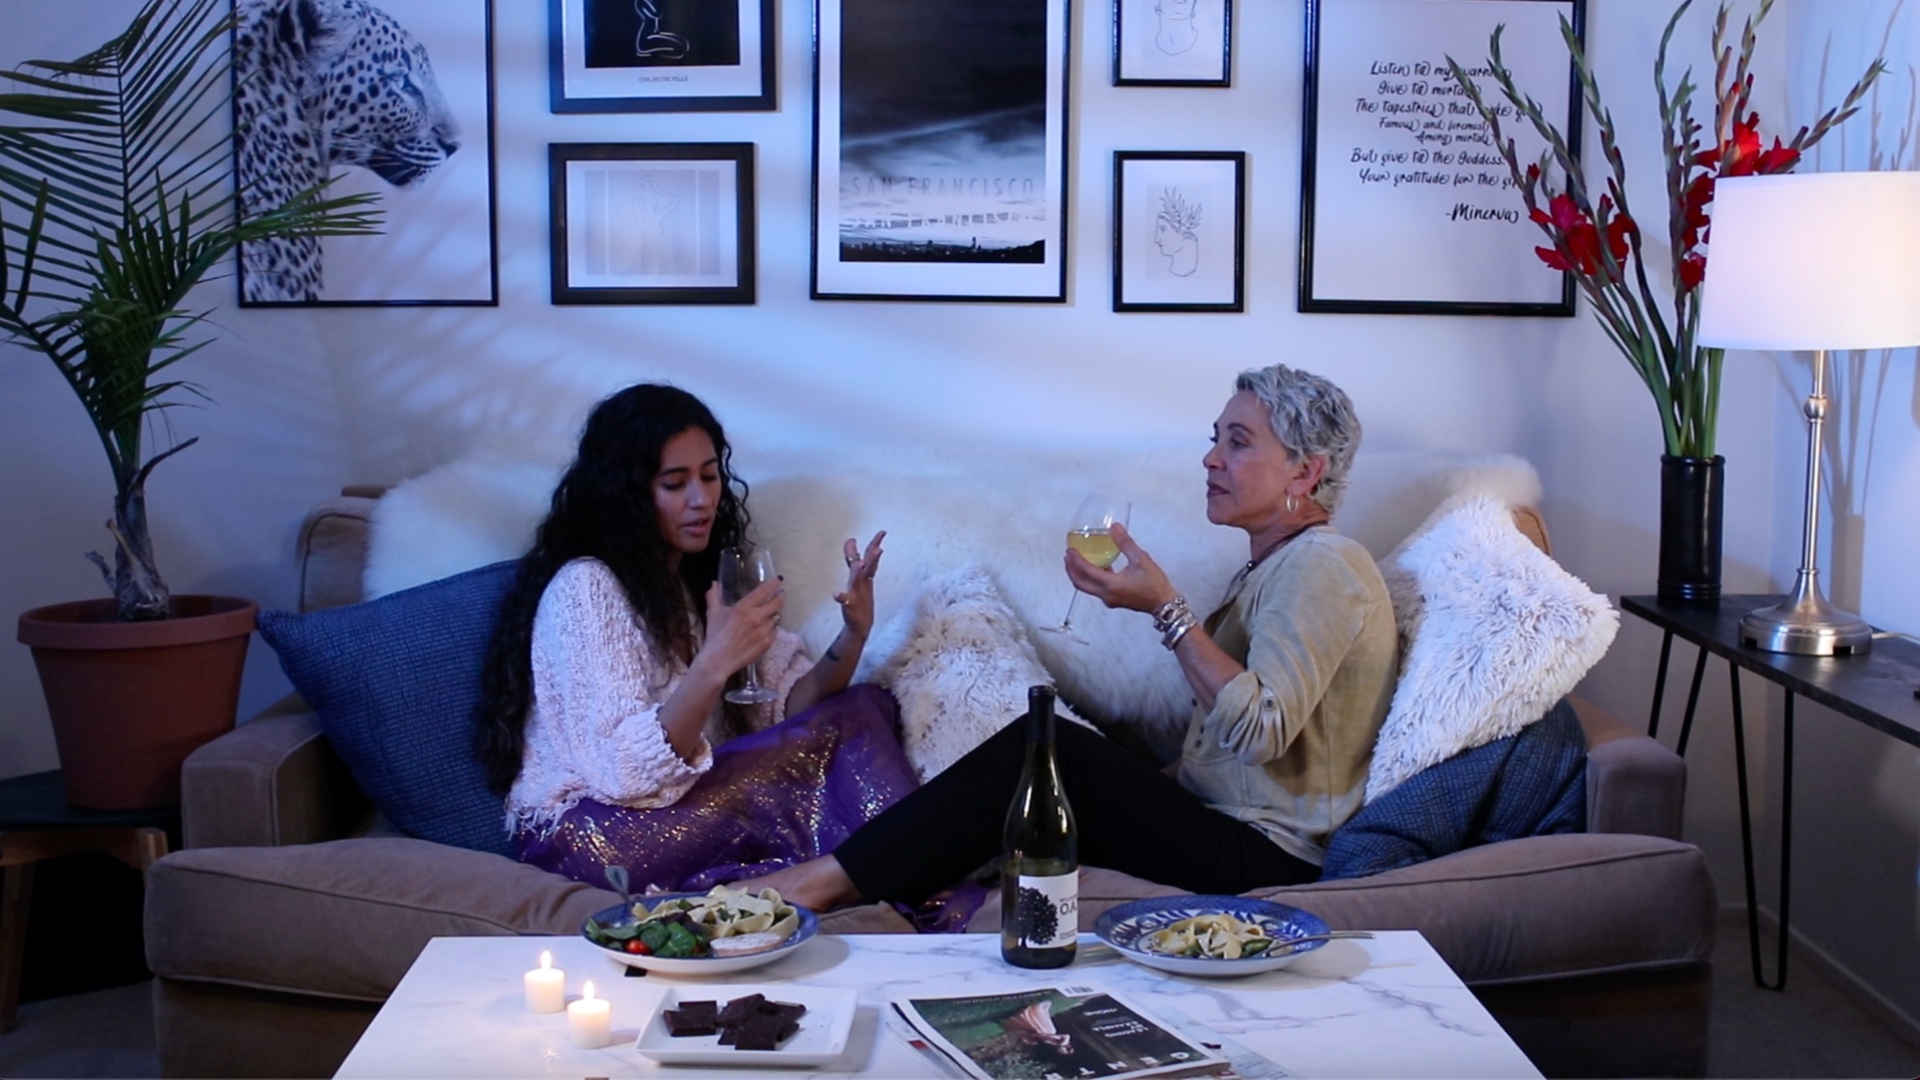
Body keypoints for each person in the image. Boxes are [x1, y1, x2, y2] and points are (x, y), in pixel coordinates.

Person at [745, 363, 1398, 911]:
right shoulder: (1274, 568)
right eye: (1215, 439)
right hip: (1222, 826)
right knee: (1058, 746)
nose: (1211, 458)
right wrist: (1131, 776)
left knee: (1051, 748)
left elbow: (1260, 731)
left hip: (1267, 858)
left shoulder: (1323, 565)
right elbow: (1215, 755)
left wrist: (1165, 608)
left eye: (1237, 442)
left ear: (1305, 473)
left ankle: (812, 886)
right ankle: (869, 880)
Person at [475, 383, 914, 895]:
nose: (702, 499)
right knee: (841, 736)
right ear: (627, 491)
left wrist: (854, 634)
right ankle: (902, 882)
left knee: (864, 704)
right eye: (675, 483)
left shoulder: (698, 586)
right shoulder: (587, 587)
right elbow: (623, 776)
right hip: (598, 838)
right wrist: (712, 664)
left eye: (710, 476)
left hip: (687, 815)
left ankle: (849, 879)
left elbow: (789, 711)